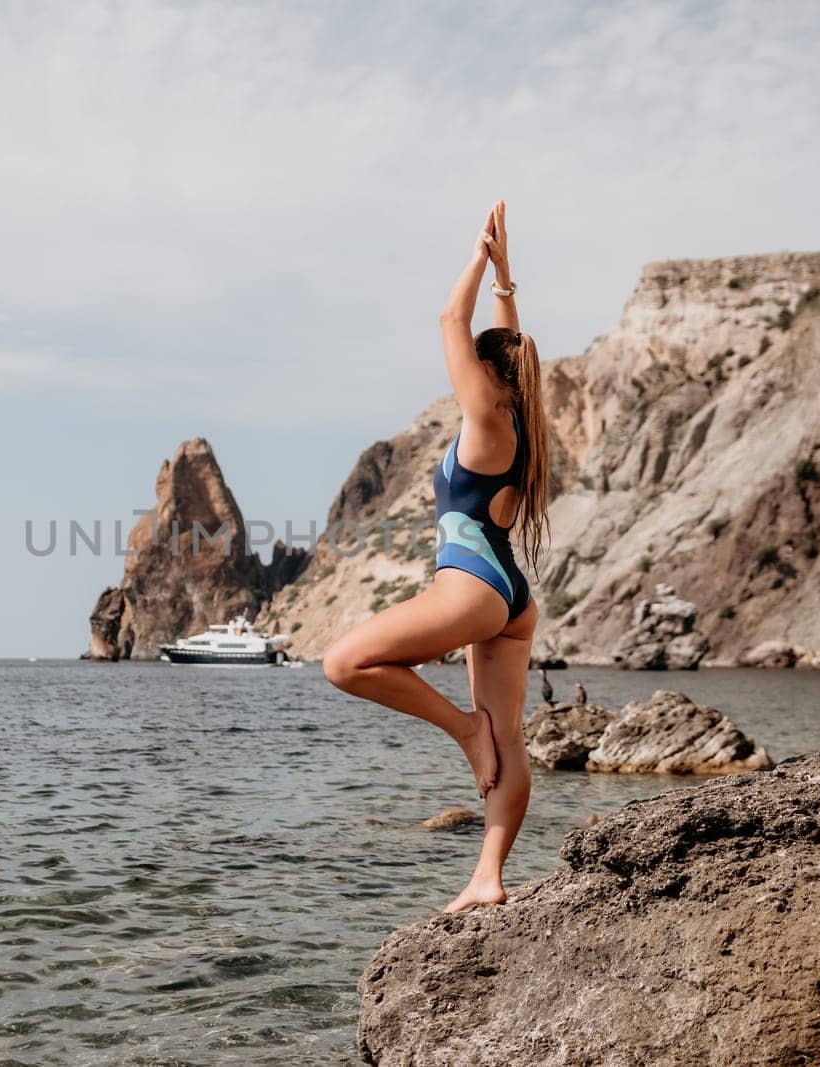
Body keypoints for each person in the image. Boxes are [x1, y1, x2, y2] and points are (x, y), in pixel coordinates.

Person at [323, 200, 551, 913]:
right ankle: (488, 877)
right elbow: (507, 345)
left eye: (475, 369)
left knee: (344, 662)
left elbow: (451, 323)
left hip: (472, 585)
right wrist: (508, 284)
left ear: (488, 377)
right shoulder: (519, 421)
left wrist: (479, 258)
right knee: (510, 739)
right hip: (511, 596)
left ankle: (462, 729)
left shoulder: (485, 421)